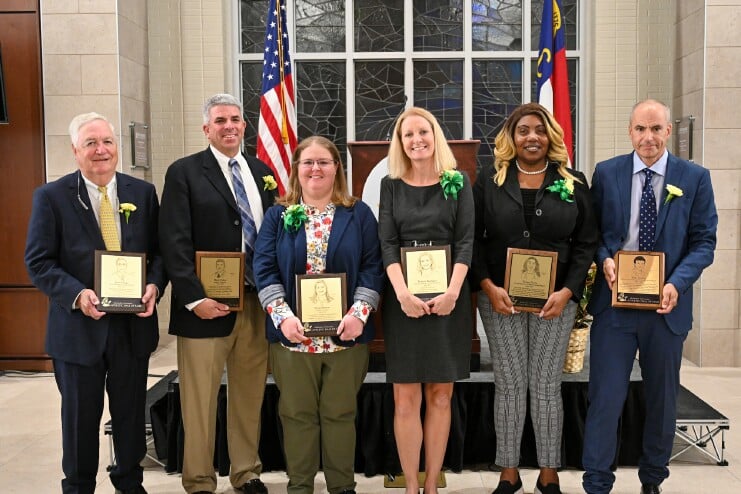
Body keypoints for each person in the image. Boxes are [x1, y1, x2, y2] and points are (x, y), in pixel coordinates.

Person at [25, 112, 166, 494]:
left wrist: (153, 286)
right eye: (90, 143)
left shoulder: (142, 193)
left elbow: (159, 255)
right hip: (77, 332)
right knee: (80, 420)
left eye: (107, 141)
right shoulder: (51, 197)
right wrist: (77, 295)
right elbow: (38, 262)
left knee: (129, 416)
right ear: (75, 151)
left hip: (132, 330)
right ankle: (78, 485)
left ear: (116, 147)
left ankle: (129, 481)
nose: (101, 150)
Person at [582, 99, 718, 494]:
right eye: (641, 129)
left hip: (666, 308)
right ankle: (596, 483)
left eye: (656, 129)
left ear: (669, 131)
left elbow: (704, 242)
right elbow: (594, 234)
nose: (648, 138)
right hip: (615, 308)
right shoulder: (607, 173)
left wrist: (677, 282)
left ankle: (653, 480)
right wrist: (605, 259)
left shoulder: (694, 178)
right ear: (630, 132)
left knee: (662, 401)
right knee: (605, 399)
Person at [470, 102, 598, 494]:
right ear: (512, 136)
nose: (532, 137)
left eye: (539, 131)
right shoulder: (489, 181)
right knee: (509, 384)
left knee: (545, 385)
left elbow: (586, 243)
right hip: (501, 300)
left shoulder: (573, 181)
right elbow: (472, 239)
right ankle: (508, 471)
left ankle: (548, 472)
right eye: (523, 130)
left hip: (555, 302)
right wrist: (487, 286)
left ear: (551, 137)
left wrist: (568, 291)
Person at [159, 94, 277, 494]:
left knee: (249, 394)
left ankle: (246, 472)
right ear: (206, 128)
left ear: (245, 126)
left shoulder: (261, 170)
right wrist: (194, 297)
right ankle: (199, 480)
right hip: (204, 308)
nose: (230, 126)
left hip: (255, 305)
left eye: (236, 119)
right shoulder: (184, 172)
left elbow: (271, 237)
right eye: (220, 120)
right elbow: (173, 241)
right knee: (199, 400)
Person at [253, 136, 383, 494]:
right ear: (296, 169)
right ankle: (300, 487)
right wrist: (282, 316)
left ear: (336, 167)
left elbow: (374, 266)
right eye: (307, 162)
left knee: (340, 415)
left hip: (346, 336)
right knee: (297, 417)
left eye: (323, 162)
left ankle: (343, 487)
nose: (315, 169)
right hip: (293, 337)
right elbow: (263, 267)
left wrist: (359, 313)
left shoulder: (358, 213)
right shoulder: (278, 214)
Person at [378, 107, 474, 494]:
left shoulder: (457, 182)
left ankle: (432, 484)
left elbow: (466, 240)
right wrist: (402, 294)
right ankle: (412, 486)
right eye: (408, 135)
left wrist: (452, 292)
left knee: (440, 395)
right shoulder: (391, 185)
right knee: (405, 397)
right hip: (403, 302)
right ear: (400, 144)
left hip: (449, 300)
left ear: (435, 136)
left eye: (423, 132)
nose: (416, 140)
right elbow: (386, 243)